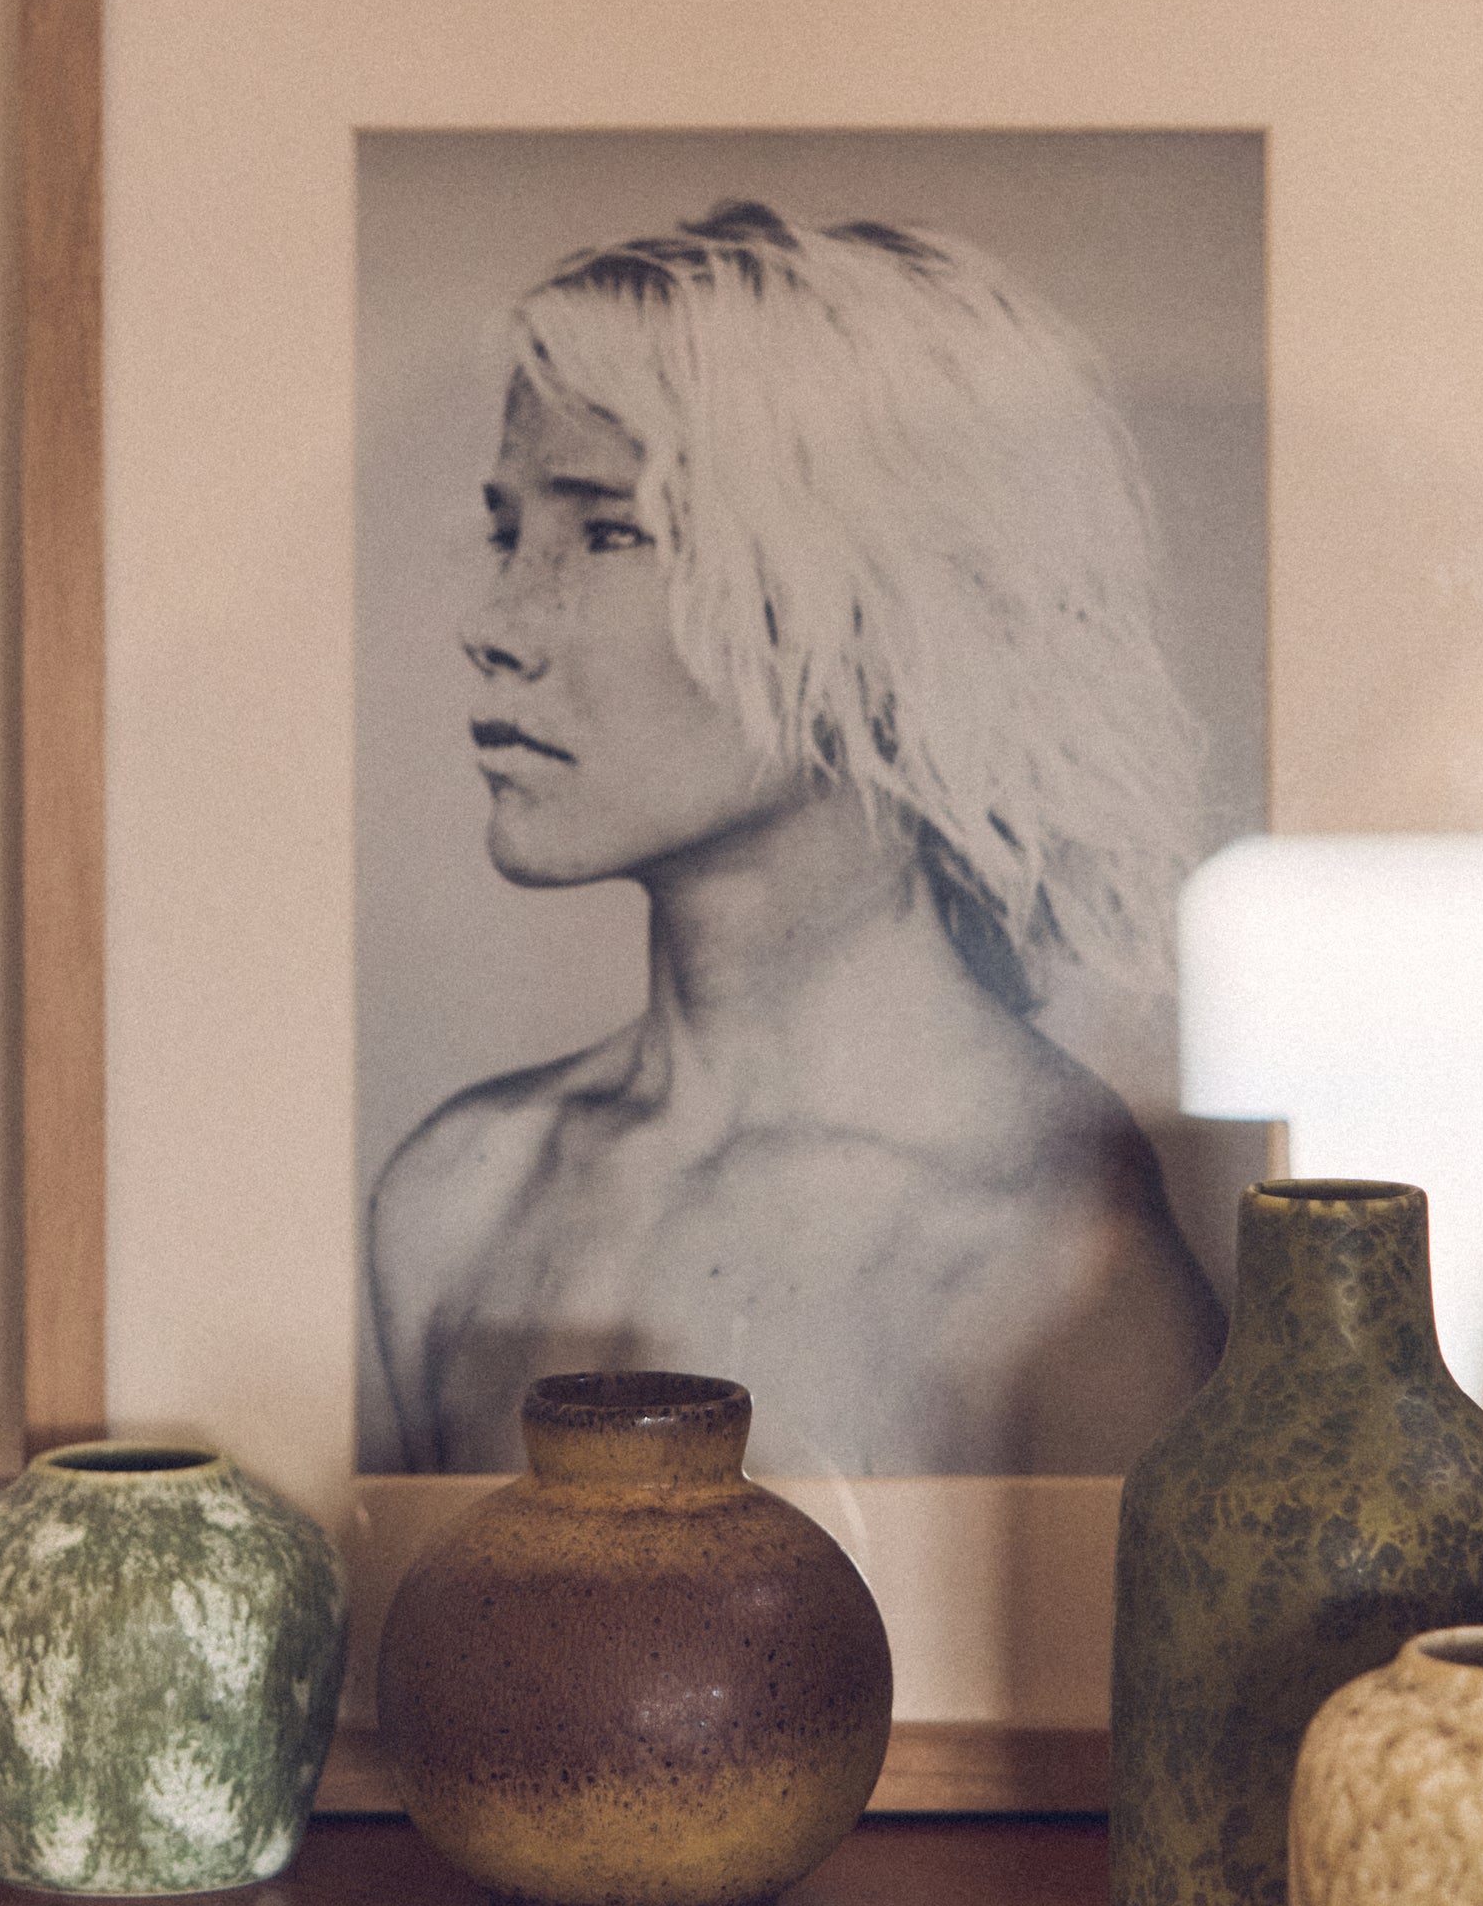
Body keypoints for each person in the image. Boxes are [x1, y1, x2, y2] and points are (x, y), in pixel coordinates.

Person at [360, 201, 1224, 1479]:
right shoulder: (457, 1194)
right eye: (508, 534)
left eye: (608, 531)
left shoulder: (1051, 1250)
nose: (493, 623)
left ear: (879, 601)